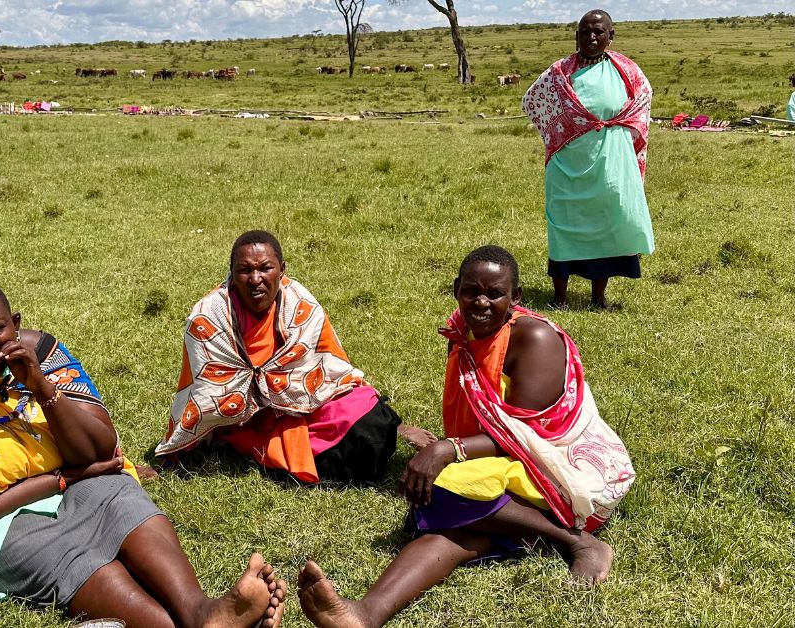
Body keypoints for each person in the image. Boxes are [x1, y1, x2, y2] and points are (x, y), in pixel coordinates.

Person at [0, 279, 286, 627]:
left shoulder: (42, 353)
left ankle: (200, 611)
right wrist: (59, 481)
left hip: (74, 481)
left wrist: (39, 385)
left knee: (120, 496)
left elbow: (98, 449)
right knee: (67, 553)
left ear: (15, 325)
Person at [296, 246, 636, 627]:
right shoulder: (462, 332)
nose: (481, 302)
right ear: (456, 289)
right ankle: (366, 614)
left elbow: (528, 437)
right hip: (509, 471)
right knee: (456, 529)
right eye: (471, 291)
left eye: (495, 293)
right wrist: (449, 450)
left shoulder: (533, 338)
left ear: (516, 297)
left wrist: (449, 449)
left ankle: (578, 542)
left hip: (562, 474)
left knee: (447, 489)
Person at [154, 230, 435, 485]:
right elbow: (205, 393)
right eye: (245, 271)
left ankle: (395, 430)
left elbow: (329, 368)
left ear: (282, 270)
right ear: (231, 272)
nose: (255, 280)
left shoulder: (299, 302)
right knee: (342, 457)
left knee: (371, 419)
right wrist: (174, 454)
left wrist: (282, 389)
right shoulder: (209, 316)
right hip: (249, 417)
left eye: (265, 269)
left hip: (304, 397)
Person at [522, 10, 655, 309]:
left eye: (598, 31)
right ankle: (560, 298)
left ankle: (598, 298)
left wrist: (614, 124)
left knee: (606, 223)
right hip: (567, 163)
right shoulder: (559, 73)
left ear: (611, 35)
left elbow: (642, 100)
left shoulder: (627, 71)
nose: (591, 37)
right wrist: (564, 127)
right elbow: (532, 100)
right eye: (585, 32)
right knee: (565, 225)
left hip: (612, 161)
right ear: (577, 35)